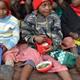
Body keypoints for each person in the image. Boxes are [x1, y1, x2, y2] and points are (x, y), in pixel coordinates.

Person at [20, 0, 72, 80]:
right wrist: (34, 38)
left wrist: (54, 45)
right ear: (37, 7)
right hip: (35, 47)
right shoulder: (30, 18)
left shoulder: (54, 16)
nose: (48, 8)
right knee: (30, 62)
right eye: (44, 5)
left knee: (60, 65)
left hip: (51, 47)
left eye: (49, 5)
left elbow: (58, 32)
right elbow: (24, 34)